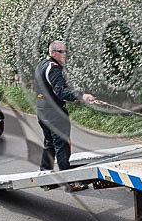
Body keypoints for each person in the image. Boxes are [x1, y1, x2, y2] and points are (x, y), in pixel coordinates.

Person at [34, 41, 96, 180]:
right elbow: (60, 92)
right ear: (53, 52)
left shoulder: (41, 65)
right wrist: (82, 96)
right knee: (62, 144)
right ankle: (69, 180)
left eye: (66, 51)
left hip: (42, 111)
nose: (65, 55)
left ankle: (45, 173)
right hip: (55, 113)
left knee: (49, 142)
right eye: (62, 52)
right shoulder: (54, 68)